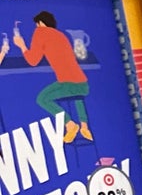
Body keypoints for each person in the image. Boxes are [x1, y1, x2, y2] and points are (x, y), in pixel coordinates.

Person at [13, 11, 91, 143]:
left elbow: (33, 61)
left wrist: (21, 45)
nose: (36, 27)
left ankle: (69, 124)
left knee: (42, 99)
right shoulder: (60, 35)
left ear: (41, 23)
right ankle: (84, 126)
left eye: (36, 24)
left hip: (68, 85)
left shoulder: (40, 32)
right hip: (83, 85)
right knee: (76, 95)